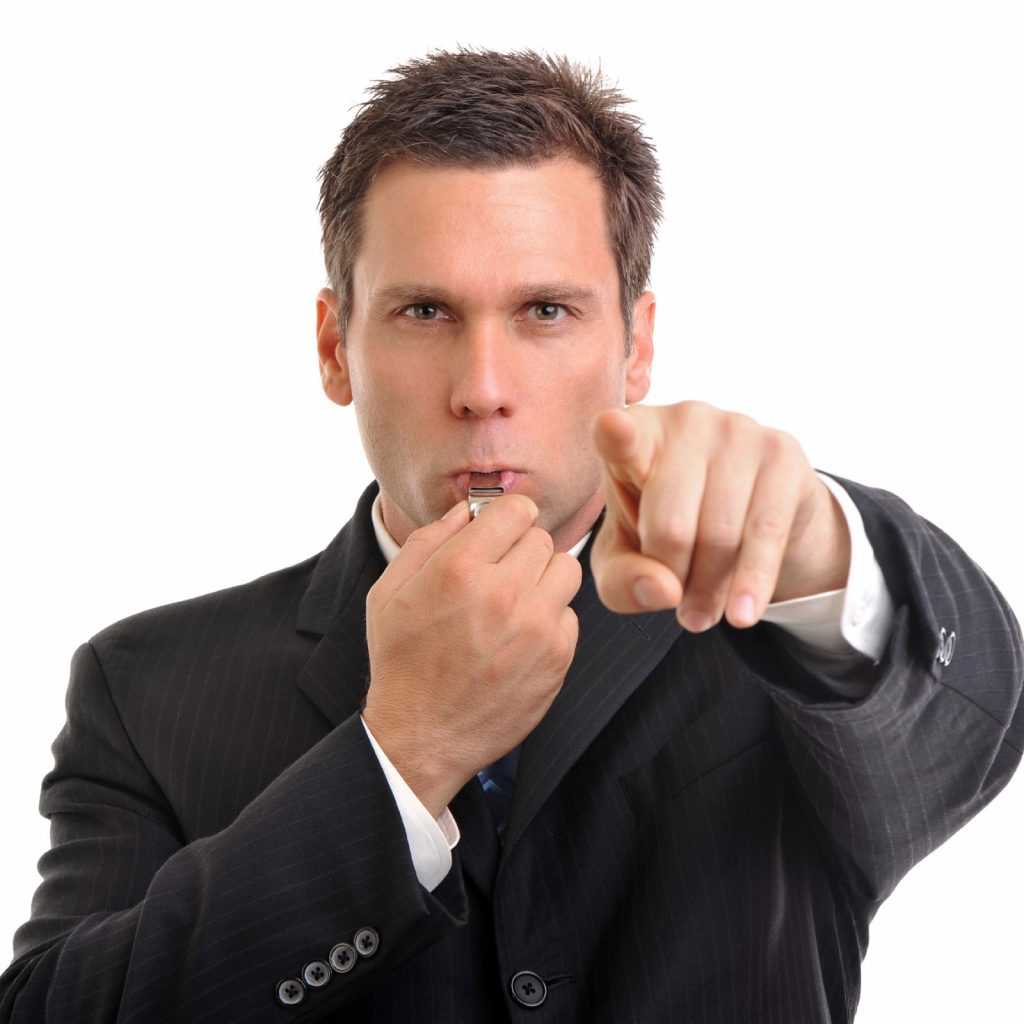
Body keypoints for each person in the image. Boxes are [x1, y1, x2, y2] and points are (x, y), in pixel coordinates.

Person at [1, 48, 1021, 1023]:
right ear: (334, 347)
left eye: (544, 310)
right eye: (425, 311)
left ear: (636, 346)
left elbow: (974, 718)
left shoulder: (773, 641)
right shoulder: (144, 688)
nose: (482, 388)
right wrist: (398, 758)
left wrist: (816, 548)